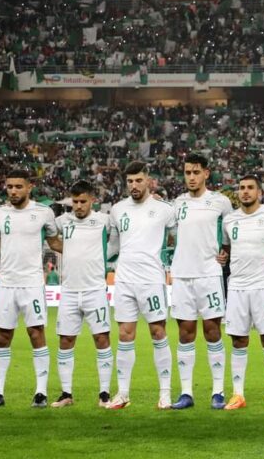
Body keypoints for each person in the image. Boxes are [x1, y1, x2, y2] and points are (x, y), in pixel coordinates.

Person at [0, 169, 62, 409]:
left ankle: (41, 392)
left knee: (36, 334)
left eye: (18, 186)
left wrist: (83, 252)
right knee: (3, 336)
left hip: (32, 284)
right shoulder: (0, 212)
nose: (13, 191)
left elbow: (54, 242)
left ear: (29, 187)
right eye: (9, 187)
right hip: (6, 284)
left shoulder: (44, 212)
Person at [107, 161, 176, 410]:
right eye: (130, 181)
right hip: (124, 280)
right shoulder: (117, 210)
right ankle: (123, 393)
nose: (134, 185)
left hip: (151, 280)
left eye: (138, 180)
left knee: (158, 332)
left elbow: (178, 239)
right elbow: (112, 246)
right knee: (125, 335)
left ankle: (165, 394)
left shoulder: (164, 209)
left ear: (148, 180)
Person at [218, 175, 264, 411]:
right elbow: (226, 246)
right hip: (237, 286)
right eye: (242, 188)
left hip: (263, 286)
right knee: (238, 340)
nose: (245, 191)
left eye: (250, 188)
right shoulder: (229, 220)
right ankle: (238, 394)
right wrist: (223, 256)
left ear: (259, 192)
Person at [169, 154, 233, 410]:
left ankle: (218, 391)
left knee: (212, 331)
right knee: (185, 333)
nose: (191, 177)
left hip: (209, 274)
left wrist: (226, 253)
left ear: (206, 173)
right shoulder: (177, 203)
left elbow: (231, 232)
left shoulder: (221, 202)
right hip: (182, 274)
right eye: (187, 173)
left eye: (196, 172)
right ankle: (186, 392)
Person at [51, 180, 117, 408]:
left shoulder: (104, 221)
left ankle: (104, 393)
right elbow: (48, 235)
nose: (78, 206)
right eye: (75, 202)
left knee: (102, 338)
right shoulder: (63, 221)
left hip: (95, 290)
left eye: (83, 201)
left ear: (92, 201)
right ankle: (66, 393)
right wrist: (68, 250)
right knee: (65, 340)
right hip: (69, 291)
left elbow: (122, 234)